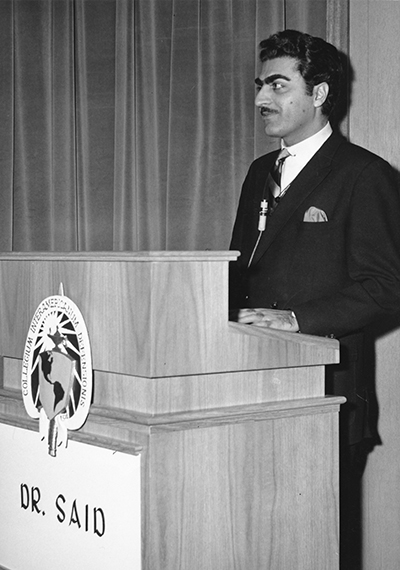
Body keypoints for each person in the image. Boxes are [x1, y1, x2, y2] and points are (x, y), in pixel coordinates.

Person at [229, 29, 400, 569]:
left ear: (320, 93)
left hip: (323, 397)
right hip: (250, 391)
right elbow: (242, 274)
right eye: (261, 85)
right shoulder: (260, 172)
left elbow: (387, 286)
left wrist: (298, 319)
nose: (261, 99)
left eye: (278, 85)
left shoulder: (364, 175)